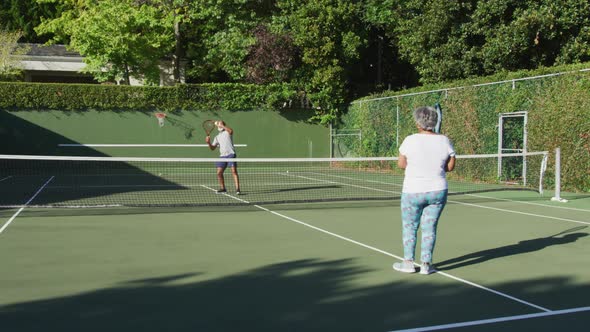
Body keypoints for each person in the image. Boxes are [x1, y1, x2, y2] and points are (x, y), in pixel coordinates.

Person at [393, 106, 456, 275]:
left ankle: (408, 263)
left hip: (412, 191)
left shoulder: (409, 140)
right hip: (438, 190)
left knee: (410, 227)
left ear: (418, 122)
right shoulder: (445, 140)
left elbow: (401, 164)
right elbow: (450, 166)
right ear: (434, 122)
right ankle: (426, 265)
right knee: (430, 228)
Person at [205, 120, 241, 194]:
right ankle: (223, 188)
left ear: (223, 125)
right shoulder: (217, 137)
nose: (219, 124)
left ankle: (238, 189)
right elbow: (212, 148)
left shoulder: (227, 132)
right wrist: (208, 143)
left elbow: (231, 131)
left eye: (220, 123)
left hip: (231, 154)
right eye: (218, 123)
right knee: (219, 173)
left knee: (234, 171)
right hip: (222, 156)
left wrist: (222, 125)